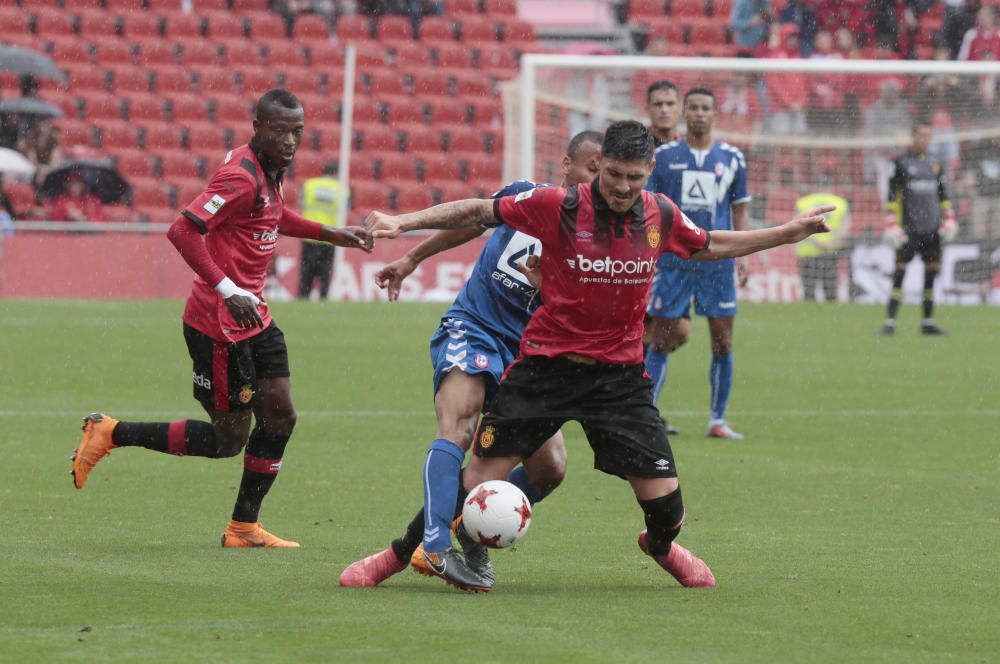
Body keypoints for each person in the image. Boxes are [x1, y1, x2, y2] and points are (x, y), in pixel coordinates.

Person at [363, 120, 834, 591]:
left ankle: (660, 545)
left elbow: (709, 244)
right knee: (471, 483)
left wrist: (787, 233)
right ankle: (400, 553)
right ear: (599, 166)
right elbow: (478, 212)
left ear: (650, 169)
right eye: (614, 174)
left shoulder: (660, 214)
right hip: (544, 371)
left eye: (634, 176)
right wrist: (403, 224)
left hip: (619, 381)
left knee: (667, 511)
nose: (623, 187)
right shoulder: (558, 205)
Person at [69, 89, 371, 547]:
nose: (290, 140)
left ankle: (243, 528)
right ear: (257, 129)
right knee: (228, 439)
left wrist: (329, 234)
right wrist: (227, 289)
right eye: (279, 130)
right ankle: (110, 432)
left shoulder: (269, 172)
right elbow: (182, 229)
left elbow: (271, 216)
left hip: (254, 317)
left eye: (297, 131)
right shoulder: (241, 177)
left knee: (282, 417)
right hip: (218, 324)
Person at [339, 131, 604, 591]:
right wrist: (412, 257)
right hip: (475, 326)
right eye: (591, 168)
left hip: (531, 354)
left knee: (551, 467)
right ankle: (433, 544)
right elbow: (473, 220)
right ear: (566, 166)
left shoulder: (602, 245)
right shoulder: (528, 198)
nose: (596, 182)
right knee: (459, 425)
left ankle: (461, 527)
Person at [644, 88, 752, 441]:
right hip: (674, 260)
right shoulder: (665, 156)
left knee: (722, 341)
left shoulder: (733, 157)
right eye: (693, 108)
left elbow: (739, 207)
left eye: (705, 108)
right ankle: (647, 415)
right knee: (660, 339)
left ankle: (717, 420)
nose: (699, 114)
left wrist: (743, 252)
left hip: (717, 261)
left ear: (715, 113)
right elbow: (651, 206)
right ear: (684, 113)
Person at [879, 121, 956, 336]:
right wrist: (891, 222)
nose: (924, 140)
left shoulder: (936, 162)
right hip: (909, 229)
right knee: (900, 272)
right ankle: (890, 323)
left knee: (931, 272)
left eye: (928, 136)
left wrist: (949, 217)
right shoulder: (901, 162)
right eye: (921, 136)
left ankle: (927, 322)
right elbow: (893, 194)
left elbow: (943, 193)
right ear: (913, 137)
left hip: (932, 229)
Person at [642, 79, 684, 435]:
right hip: (643, 252)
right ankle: (643, 409)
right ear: (649, 109)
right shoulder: (640, 148)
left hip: (676, 256)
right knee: (655, 331)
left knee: (672, 332)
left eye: (671, 103)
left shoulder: (689, 151)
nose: (665, 109)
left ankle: (639, 403)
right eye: (658, 104)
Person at [298, 163, 347, 300]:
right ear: (336, 173)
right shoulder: (341, 189)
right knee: (325, 274)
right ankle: (323, 299)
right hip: (330, 236)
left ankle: (303, 299)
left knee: (306, 273)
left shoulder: (309, 185)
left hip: (310, 235)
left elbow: (301, 204)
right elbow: (344, 211)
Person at [795, 190, 850, 302]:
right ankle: (831, 317)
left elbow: (796, 225)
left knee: (809, 292)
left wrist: (817, 243)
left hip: (808, 252)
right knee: (830, 291)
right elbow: (846, 228)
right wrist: (830, 243)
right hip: (831, 251)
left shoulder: (802, 202)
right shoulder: (840, 202)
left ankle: (807, 317)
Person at [645, 80, 681, 148]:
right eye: (658, 104)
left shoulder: (690, 150)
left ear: (680, 108)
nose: (664, 110)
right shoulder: (635, 149)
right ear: (647, 109)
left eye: (670, 104)